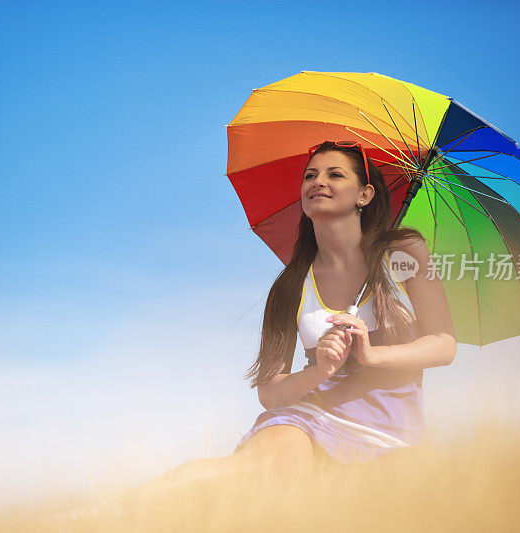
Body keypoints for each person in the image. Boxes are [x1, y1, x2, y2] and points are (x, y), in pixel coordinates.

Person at [122, 140, 457, 503]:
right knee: (257, 474)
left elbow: (443, 343)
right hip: (307, 420)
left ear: (365, 194)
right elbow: (270, 392)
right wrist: (320, 370)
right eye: (310, 175)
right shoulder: (290, 285)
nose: (318, 182)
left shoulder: (403, 251)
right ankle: (115, 513)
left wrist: (373, 355)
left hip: (391, 434)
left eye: (335, 174)